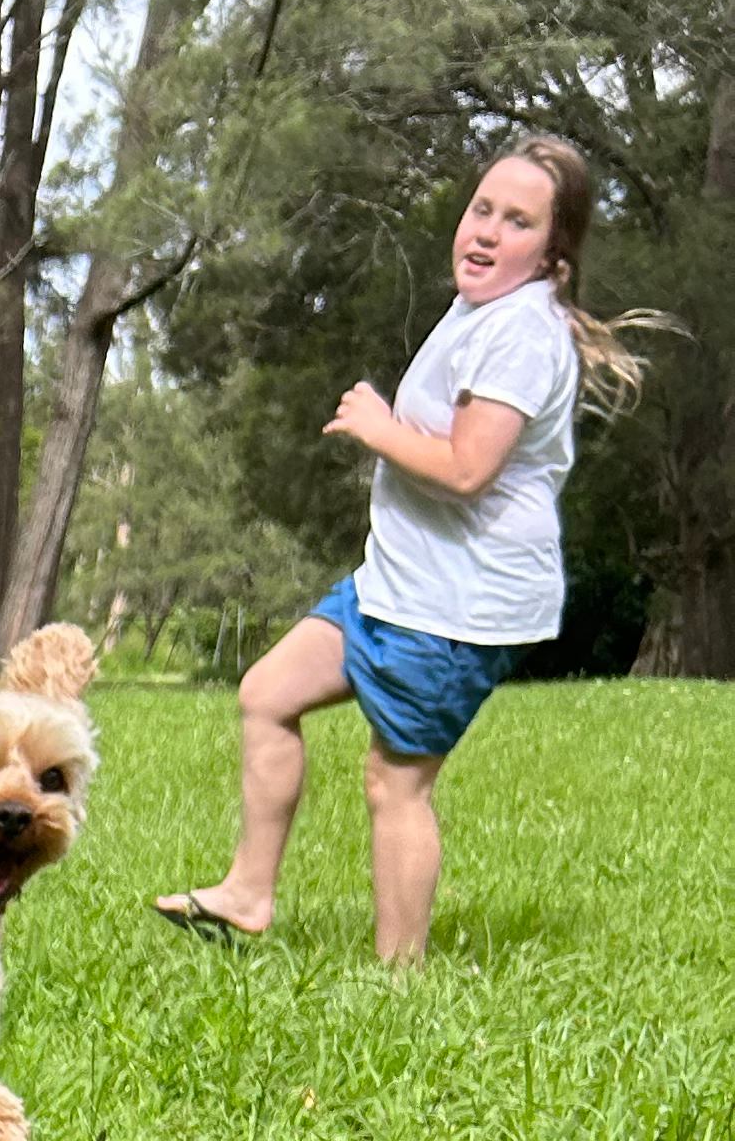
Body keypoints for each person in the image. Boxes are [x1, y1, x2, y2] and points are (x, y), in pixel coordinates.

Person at [155, 136, 650, 967]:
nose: (486, 231)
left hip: (459, 605)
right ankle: (247, 893)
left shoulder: (522, 334)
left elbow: (467, 469)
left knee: (397, 783)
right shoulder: (482, 308)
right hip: (398, 581)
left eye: (518, 221)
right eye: (482, 209)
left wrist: (379, 428)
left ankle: (399, 982)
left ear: (553, 255)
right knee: (268, 694)